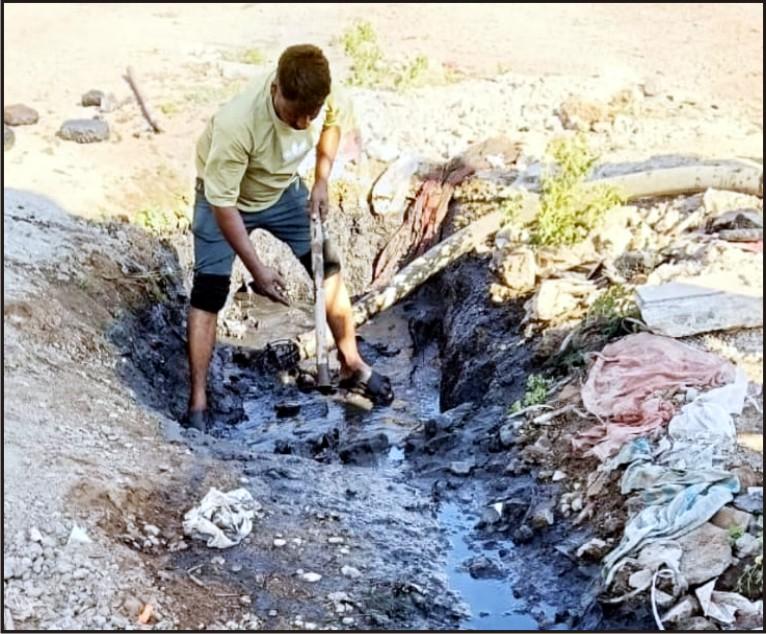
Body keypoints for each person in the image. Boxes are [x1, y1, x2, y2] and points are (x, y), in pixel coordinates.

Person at [185, 44, 392, 431]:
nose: (302, 123)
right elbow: (224, 206)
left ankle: (351, 363)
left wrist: (321, 181)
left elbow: (333, 124)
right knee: (208, 292)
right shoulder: (237, 124)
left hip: (282, 191)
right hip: (226, 200)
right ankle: (197, 400)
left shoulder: (324, 94)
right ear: (275, 89)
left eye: (310, 114)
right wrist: (258, 271)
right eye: (294, 114)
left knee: (328, 267)